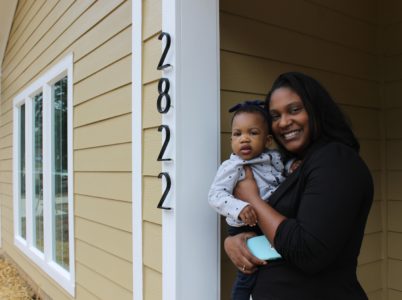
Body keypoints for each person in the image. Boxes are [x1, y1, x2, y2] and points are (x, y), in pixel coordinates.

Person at [223, 72, 374, 300]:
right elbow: (277, 227)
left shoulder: (335, 160)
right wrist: (235, 242)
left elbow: (307, 251)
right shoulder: (296, 166)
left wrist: (252, 199)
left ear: (316, 110)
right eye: (275, 116)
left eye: (294, 110)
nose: (283, 122)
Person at [208, 101, 298, 300]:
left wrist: (293, 165)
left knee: (270, 263)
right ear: (231, 139)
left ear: (267, 140)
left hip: (266, 220)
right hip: (243, 224)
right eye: (238, 134)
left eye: (253, 133)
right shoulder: (232, 166)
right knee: (249, 269)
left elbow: (284, 167)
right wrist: (240, 207)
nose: (245, 139)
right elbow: (215, 196)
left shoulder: (273, 157)